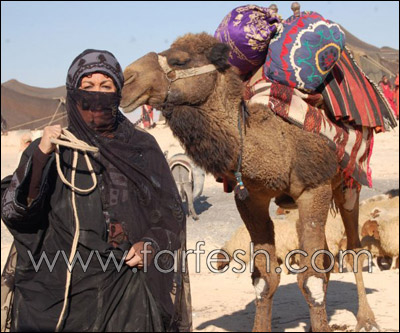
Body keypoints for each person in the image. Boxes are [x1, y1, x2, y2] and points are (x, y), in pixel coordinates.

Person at [1, 49, 191, 332]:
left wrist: (150, 245)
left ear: (118, 92)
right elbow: (16, 214)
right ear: (72, 92)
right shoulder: (52, 148)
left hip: (128, 289)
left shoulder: (142, 148)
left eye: (106, 86)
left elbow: (171, 215)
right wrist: (41, 156)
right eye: (87, 87)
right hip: (60, 292)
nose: (97, 94)